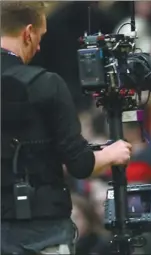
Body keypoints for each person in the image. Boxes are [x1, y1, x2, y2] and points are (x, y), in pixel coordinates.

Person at [1, 2, 132, 254]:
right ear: (28, 32)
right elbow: (80, 164)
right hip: (41, 232)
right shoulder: (47, 84)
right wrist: (112, 153)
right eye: (40, 37)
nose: (39, 46)